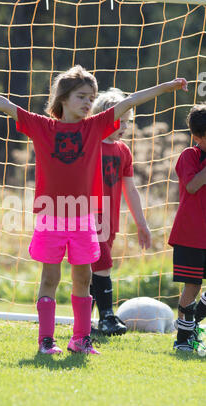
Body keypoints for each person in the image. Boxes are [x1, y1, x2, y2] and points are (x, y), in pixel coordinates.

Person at [0, 66, 187, 355]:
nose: (87, 103)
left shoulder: (95, 126)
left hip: (84, 218)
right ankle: (46, 340)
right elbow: (7, 105)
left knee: (83, 279)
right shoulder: (41, 126)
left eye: (91, 97)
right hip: (51, 218)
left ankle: (80, 339)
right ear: (63, 98)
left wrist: (165, 87)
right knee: (50, 279)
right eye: (81, 96)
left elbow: (128, 103)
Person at [90, 88, 151, 336]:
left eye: (128, 121)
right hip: (89, 217)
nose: (125, 126)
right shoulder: (89, 144)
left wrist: (142, 223)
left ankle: (84, 322)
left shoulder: (123, 151)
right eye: (120, 121)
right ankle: (106, 318)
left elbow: (131, 190)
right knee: (102, 264)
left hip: (111, 220)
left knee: (95, 270)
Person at [168, 103, 206, 352]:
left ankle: (192, 321)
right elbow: (192, 186)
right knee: (192, 286)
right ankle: (183, 337)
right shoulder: (189, 156)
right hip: (191, 235)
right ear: (197, 137)